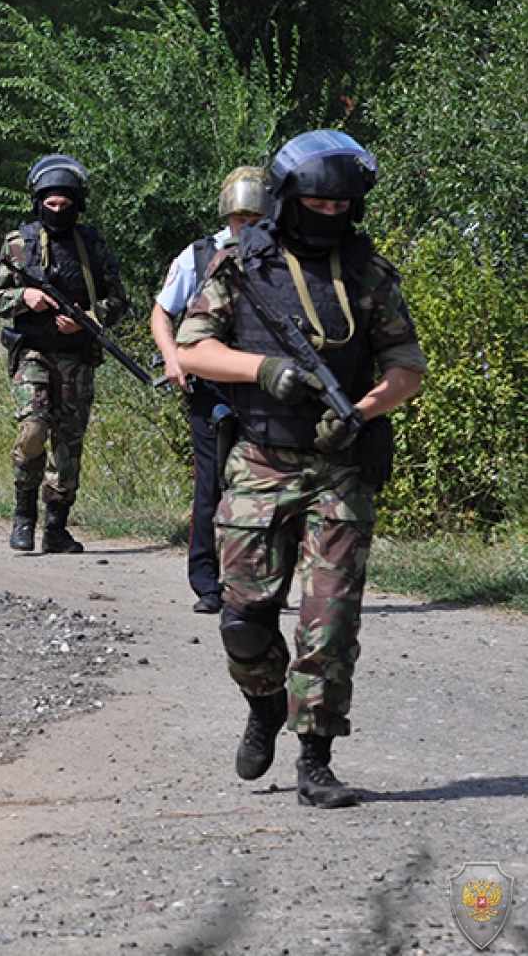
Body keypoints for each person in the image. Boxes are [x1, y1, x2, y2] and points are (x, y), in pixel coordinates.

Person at [177, 129, 425, 809]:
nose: (330, 215)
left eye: (342, 206)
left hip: (340, 467)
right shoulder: (241, 267)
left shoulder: (368, 273)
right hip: (259, 463)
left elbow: (407, 367)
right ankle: (263, 703)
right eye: (316, 203)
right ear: (289, 199)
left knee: (329, 620)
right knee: (244, 622)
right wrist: (266, 370)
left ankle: (316, 757)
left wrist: (364, 411)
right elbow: (194, 348)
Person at [0, 154, 130, 554]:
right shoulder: (19, 244)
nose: (57, 210)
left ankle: (55, 527)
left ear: (77, 203)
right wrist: (24, 297)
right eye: (50, 204)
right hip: (32, 351)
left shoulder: (92, 245)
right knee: (32, 432)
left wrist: (89, 317)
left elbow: (119, 299)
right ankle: (23, 518)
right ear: (38, 202)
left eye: (64, 204)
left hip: (78, 357)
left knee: (69, 444)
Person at [150, 167, 269, 614]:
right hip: (212, 388)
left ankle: (255, 580)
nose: (248, 226)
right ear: (228, 215)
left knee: (263, 486)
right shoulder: (200, 255)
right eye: (241, 218)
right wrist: (173, 356)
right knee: (211, 484)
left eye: (257, 218)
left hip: (265, 385)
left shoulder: (284, 256)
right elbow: (163, 313)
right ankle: (207, 582)